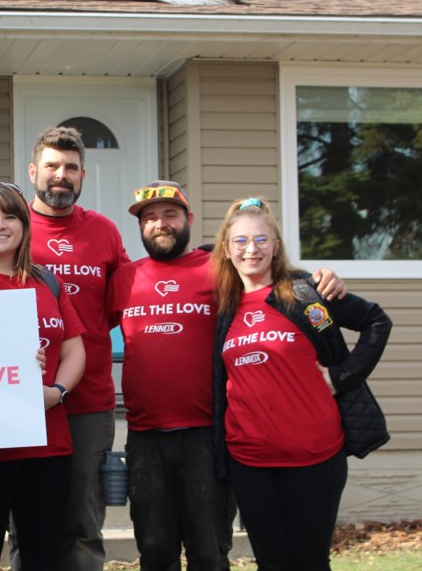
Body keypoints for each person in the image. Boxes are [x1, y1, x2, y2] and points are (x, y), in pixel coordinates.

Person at [108, 182, 347, 571]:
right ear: (139, 227)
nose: (160, 224)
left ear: (189, 219)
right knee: (154, 551)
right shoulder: (123, 278)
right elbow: (81, 332)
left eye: (170, 215)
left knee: (208, 551)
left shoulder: (219, 270)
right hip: (146, 436)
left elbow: (270, 277)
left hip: (208, 434)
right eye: (149, 218)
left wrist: (319, 281)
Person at [211, 197, 391, 571]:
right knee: (272, 564)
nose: (251, 249)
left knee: (309, 562)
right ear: (226, 249)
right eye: (240, 241)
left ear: (276, 245)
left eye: (262, 240)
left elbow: (376, 321)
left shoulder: (308, 292)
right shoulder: (223, 306)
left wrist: (343, 377)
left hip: (315, 457)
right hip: (250, 461)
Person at [0, 182, 85, 571]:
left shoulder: (45, 281)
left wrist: (58, 391)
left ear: (24, 225)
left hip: (47, 443)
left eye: (10, 216)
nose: (1, 225)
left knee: (43, 554)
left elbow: (74, 348)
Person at [25, 126, 129, 570]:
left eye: (70, 167)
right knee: (27, 524)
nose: (60, 175)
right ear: (34, 171)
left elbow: (123, 305)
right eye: (52, 166)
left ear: (82, 174)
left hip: (87, 402)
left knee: (84, 522)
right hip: (20, 398)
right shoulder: (6, 224)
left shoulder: (104, 232)